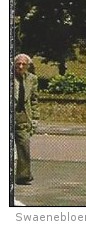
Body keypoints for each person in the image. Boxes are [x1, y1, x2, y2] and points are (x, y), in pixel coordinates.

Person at [13, 53, 39, 185]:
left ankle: (23, 176)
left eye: (23, 64)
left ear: (28, 66)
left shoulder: (32, 79)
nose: (21, 66)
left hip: (23, 116)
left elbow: (34, 100)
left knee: (24, 146)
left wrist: (35, 119)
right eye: (18, 64)